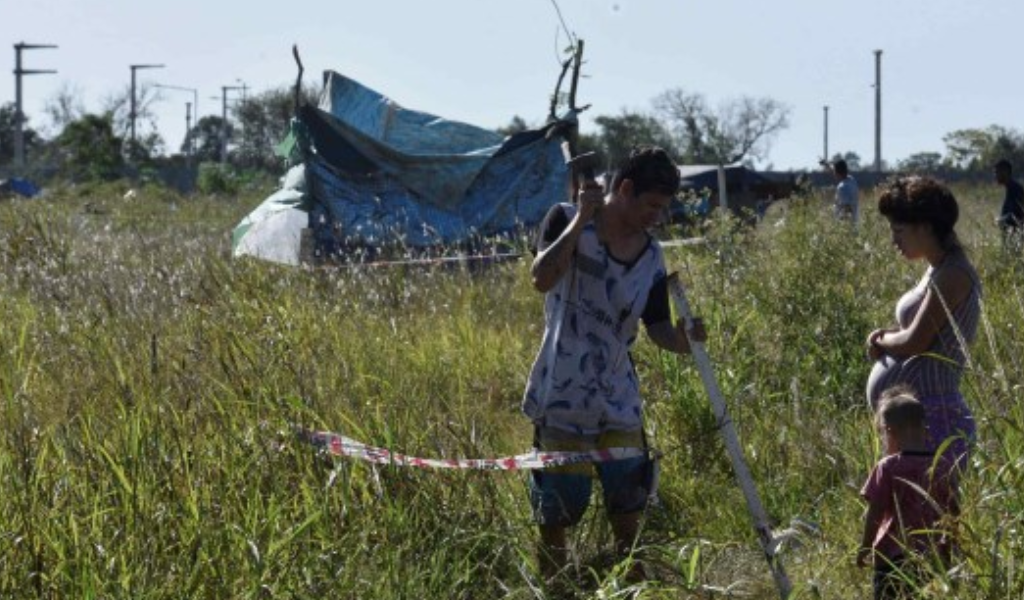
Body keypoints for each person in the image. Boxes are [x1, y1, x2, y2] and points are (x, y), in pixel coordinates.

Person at [522, 146, 706, 582]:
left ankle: (633, 586)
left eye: (663, 208)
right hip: (562, 394)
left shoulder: (652, 256)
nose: (657, 217)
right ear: (624, 189)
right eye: (651, 206)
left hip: (617, 398)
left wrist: (685, 340)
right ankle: (557, 589)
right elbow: (540, 278)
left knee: (629, 501)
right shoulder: (565, 217)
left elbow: (657, 327)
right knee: (558, 509)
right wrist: (581, 221)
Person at [865, 176, 981, 470]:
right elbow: (925, 333)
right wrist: (893, 337)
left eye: (899, 230)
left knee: (927, 513)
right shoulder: (936, 269)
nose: (894, 240)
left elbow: (916, 342)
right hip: (912, 421)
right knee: (906, 514)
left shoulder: (953, 274)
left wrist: (881, 340)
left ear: (926, 226)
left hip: (933, 420)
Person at [858, 385, 960, 600]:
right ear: (925, 428)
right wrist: (954, 549)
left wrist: (865, 546)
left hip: (892, 561)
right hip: (933, 560)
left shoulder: (887, 467)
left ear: (889, 431)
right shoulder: (941, 465)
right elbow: (954, 511)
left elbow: (874, 512)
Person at [994, 158, 1024, 244]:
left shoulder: (1015, 189)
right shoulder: (1010, 188)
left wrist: (1000, 220)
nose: (995, 176)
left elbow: (1017, 214)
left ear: (1005, 172)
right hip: (1011, 238)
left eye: (997, 172)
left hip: (1015, 238)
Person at [831, 159, 860, 223]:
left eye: (834, 171)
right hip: (855, 223)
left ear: (837, 172)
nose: (833, 173)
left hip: (845, 227)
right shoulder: (852, 180)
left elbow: (847, 209)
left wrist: (843, 226)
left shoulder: (842, 188)